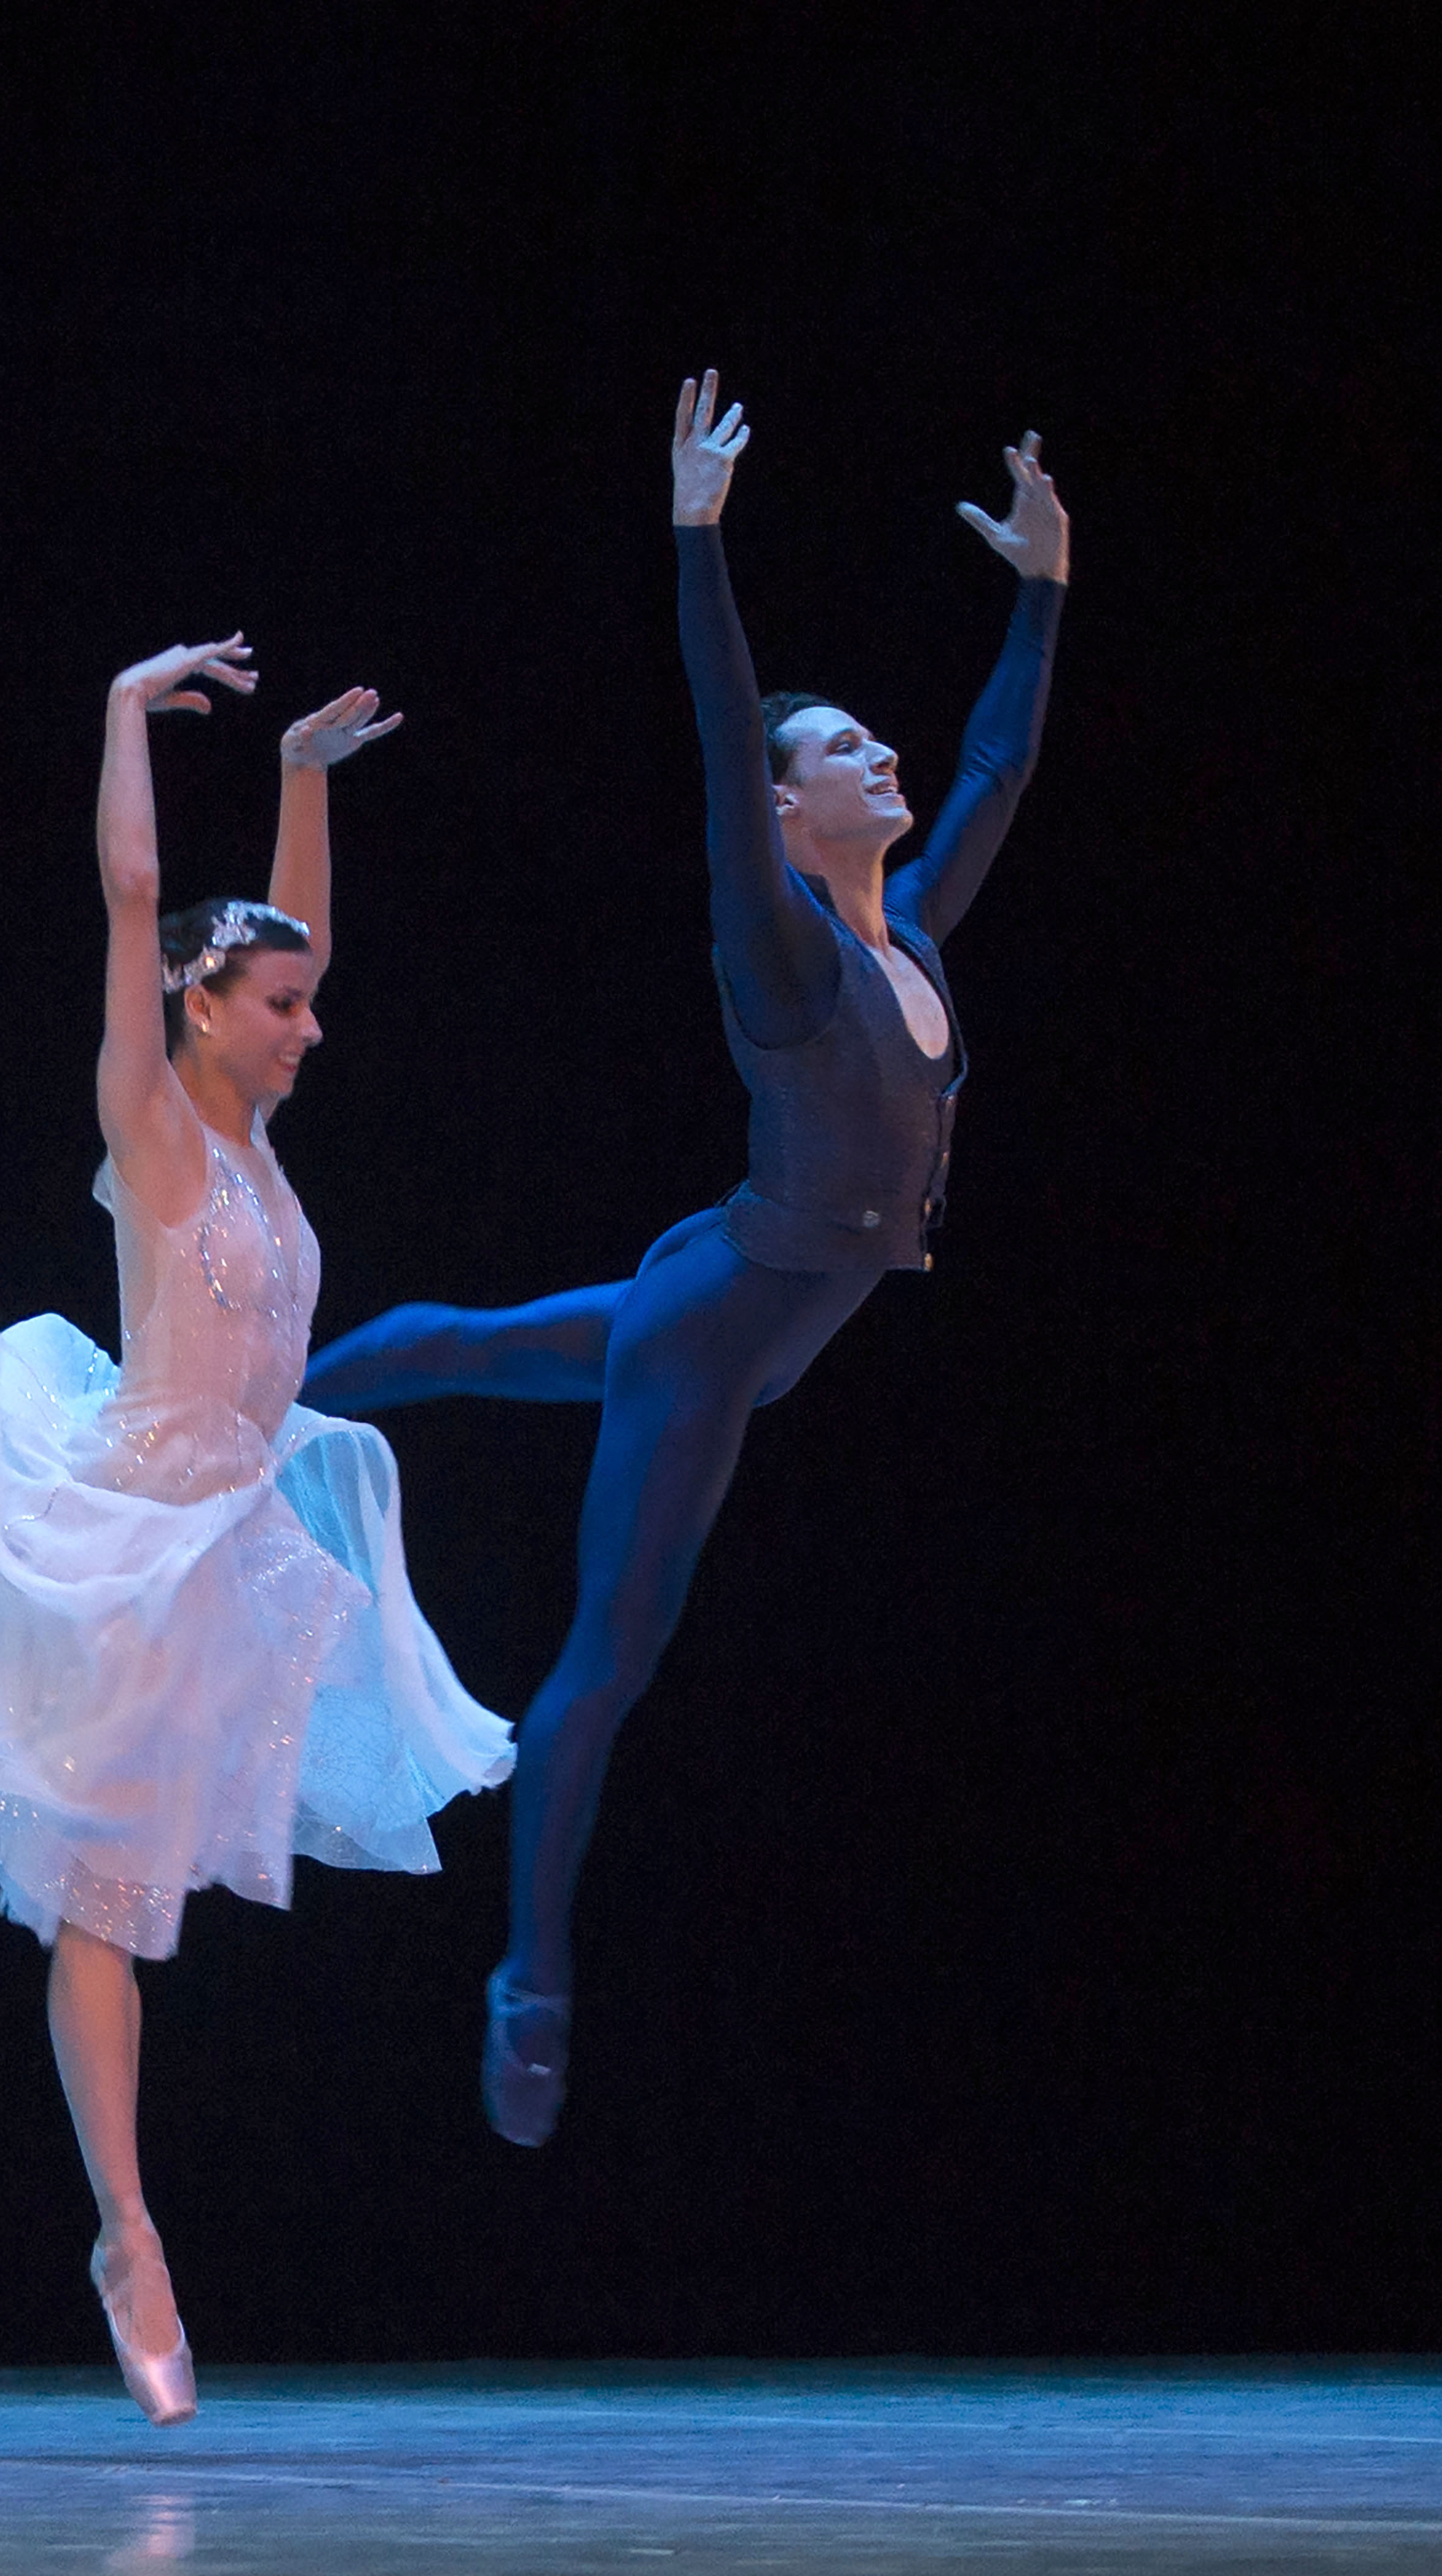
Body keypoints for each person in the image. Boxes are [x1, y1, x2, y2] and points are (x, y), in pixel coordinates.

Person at [0, 642, 514, 2419]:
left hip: (233, 1530)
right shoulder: (154, 1127)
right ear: (202, 1007)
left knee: (128, 1890)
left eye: (308, 1005)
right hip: (120, 1535)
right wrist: (128, 713)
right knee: (101, 1908)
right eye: (275, 1006)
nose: (308, 1024)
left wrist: (300, 774)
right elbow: (137, 893)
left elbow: (301, 934)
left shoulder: (268, 1149)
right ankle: (128, 2235)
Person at [302, 374, 1068, 2146]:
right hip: (718, 1332)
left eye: (877, 746)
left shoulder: (911, 929)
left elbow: (995, 760)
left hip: (747, 1300)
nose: (879, 761)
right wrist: (695, 542)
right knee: (610, 1654)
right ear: (790, 814)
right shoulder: (781, 950)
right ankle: (532, 1980)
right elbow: (727, 743)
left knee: (479, 1343)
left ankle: (263, 1381)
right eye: (841, 753)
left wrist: (1042, 589)